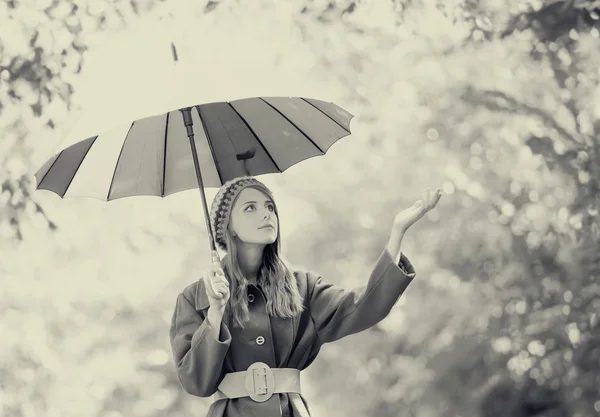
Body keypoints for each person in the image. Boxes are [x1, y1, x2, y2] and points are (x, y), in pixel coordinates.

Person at [169, 176, 442, 417]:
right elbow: (196, 382)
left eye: (270, 207)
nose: (266, 214)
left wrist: (397, 232)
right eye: (250, 207)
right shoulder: (195, 298)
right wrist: (215, 313)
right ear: (226, 227)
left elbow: (363, 307)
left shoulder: (302, 287)